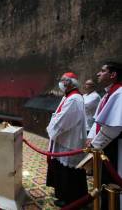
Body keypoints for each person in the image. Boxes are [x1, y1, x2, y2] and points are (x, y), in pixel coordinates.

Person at [46, 72, 88, 207]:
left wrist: (51, 128)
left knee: (68, 172)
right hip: (65, 140)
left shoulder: (74, 99)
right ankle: (67, 195)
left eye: (63, 80)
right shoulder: (69, 96)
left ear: (70, 83)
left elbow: (63, 120)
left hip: (69, 142)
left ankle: (71, 199)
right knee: (64, 171)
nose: (61, 82)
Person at [87, 61, 122, 209]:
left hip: (113, 146)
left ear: (113, 75)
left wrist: (95, 145)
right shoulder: (107, 94)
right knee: (102, 181)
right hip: (103, 145)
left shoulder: (119, 94)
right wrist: (90, 137)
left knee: (111, 182)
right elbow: (98, 119)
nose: (98, 74)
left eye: (102, 71)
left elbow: (113, 127)